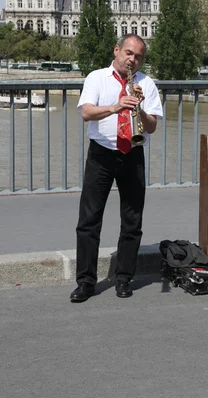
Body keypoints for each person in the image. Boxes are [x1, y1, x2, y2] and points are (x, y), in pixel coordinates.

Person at [70, 34, 163, 302]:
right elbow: (87, 112)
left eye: (139, 56)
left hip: (132, 153)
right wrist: (116, 106)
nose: (133, 60)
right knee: (89, 220)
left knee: (132, 220)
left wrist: (141, 108)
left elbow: (153, 127)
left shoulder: (147, 84)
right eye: (129, 53)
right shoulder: (96, 77)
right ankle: (86, 282)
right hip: (101, 154)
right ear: (117, 50)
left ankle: (124, 278)